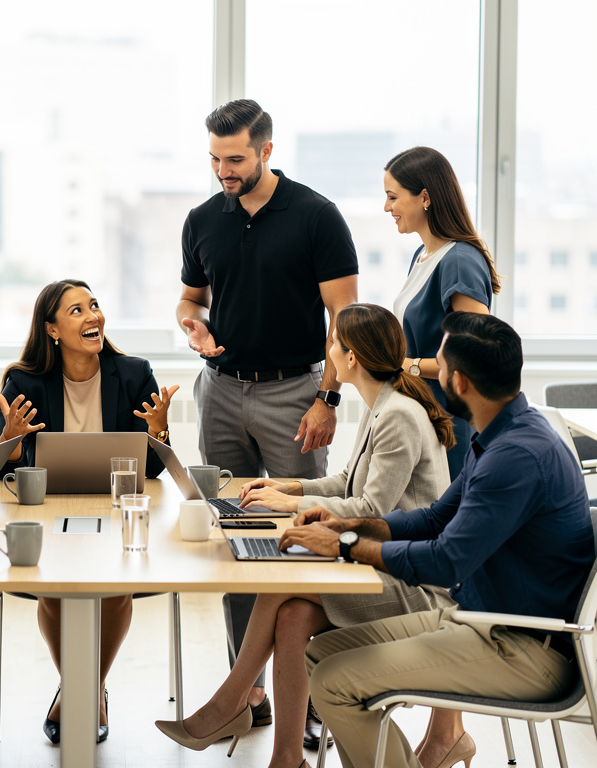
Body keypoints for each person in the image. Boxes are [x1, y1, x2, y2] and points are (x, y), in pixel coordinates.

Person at [156, 303, 457, 768]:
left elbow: (372, 509)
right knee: (293, 616)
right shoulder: (386, 401)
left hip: (408, 584)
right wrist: (288, 485)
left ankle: (230, 701)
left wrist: (290, 505)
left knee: (283, 583)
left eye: (333, 344)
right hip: (376, 564)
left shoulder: (398, 413)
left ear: (351, 357)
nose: (328, 351)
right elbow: (348, 485)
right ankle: (286, 758)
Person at [290, 312, 595, 768]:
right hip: (482, 621)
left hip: (526, 649)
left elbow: (446, 561)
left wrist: (346, 548)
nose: (427, 371)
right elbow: (434, 519)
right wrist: (344, 527)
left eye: (438, 364)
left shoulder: (516, 456)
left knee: (335, 681)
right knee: (322, 653)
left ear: (461, 382)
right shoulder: (500, 435)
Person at [176, 97, 359, 736]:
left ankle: (305, 702)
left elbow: (344, 321)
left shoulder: (316, 216)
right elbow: (190, 299)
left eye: (235, 158)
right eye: (215, 159)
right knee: (236, 539)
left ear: (266, 151)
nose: (224, 171)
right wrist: (192, 328)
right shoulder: (203, 218)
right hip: (221, 391)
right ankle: (246, 692)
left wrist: (328, 398)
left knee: (300, 539)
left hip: (295, 393)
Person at [0, 278, 177, 743]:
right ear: (51, 329)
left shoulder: (134, 373)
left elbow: (153, 470)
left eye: (93, 306)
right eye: (75, 311)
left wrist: (160, 432)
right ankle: (83, 686)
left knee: (114, 591)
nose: (92, 316)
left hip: (118, 510)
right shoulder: (25, 381)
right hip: (50, 512)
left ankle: (85, 688)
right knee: (53, 592)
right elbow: (4, 472)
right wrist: (10, 440)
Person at [385, 146, 501, 479]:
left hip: (449, 422)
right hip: (422, 414)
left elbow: (475, 359)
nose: (386, 207)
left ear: (425, 197)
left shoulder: (459, 261)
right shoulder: (423, 255)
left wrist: (408, 366)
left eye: (393, 197)